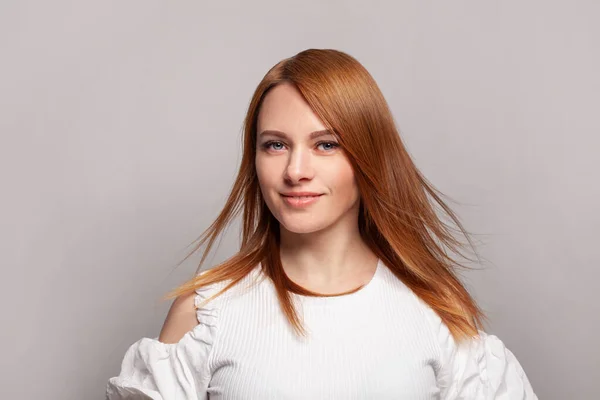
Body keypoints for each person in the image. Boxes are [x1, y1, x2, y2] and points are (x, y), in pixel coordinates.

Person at [106, 48, 537, 399]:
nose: (296, 170)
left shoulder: (436, 313)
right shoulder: (204, 315)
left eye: (326, 144)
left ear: (368, 156)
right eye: (275, 145)